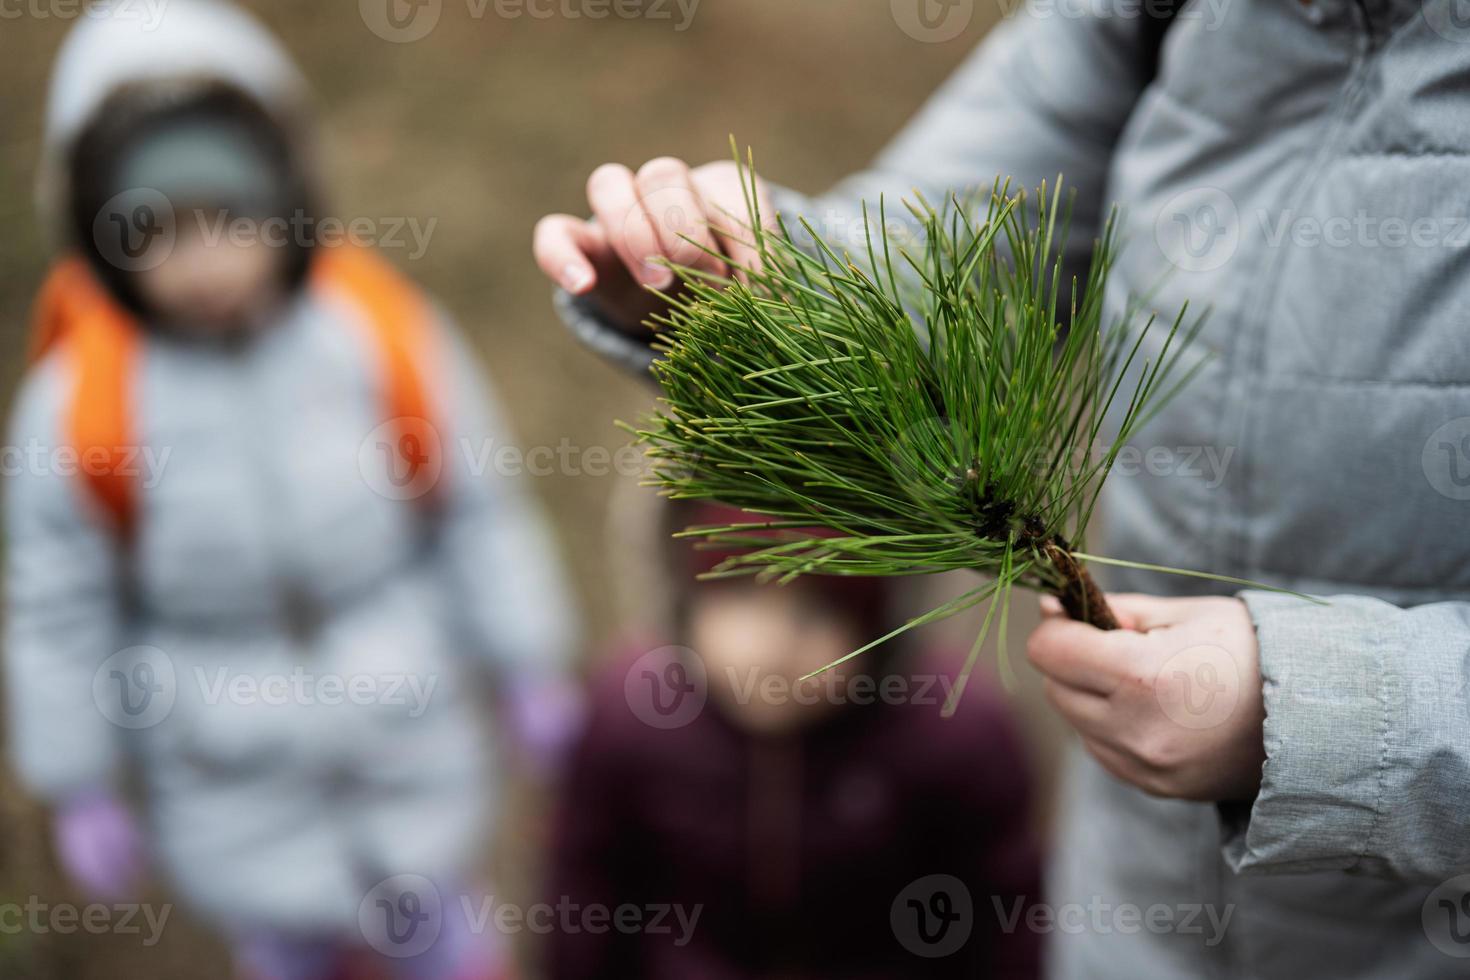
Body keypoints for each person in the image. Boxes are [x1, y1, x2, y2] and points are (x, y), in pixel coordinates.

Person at [532, 2, 1470, 976]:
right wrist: (771, 287)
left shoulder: (951, 741)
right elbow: (956, 237)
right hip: (1135, 903)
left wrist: (1325, 715)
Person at [7, 3, 580, 978]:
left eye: (231, 218)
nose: (206, 265)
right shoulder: (81, 403)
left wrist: (528, 656)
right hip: (235, 783)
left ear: (286, 191)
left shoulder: (376, 331)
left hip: (412, 741)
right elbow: (57, 604)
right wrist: (76, 777)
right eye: (160, 232)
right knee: (288, 950)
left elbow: (474, 506)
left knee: (446, 934)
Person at [545, 500, 1040, 978]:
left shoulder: (954, 734)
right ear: (685, 590)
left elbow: (1005, 924)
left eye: (817, 610)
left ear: (883, 625)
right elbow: (586, 900)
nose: (771, 650)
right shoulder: (633, 718)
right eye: (740, 594)